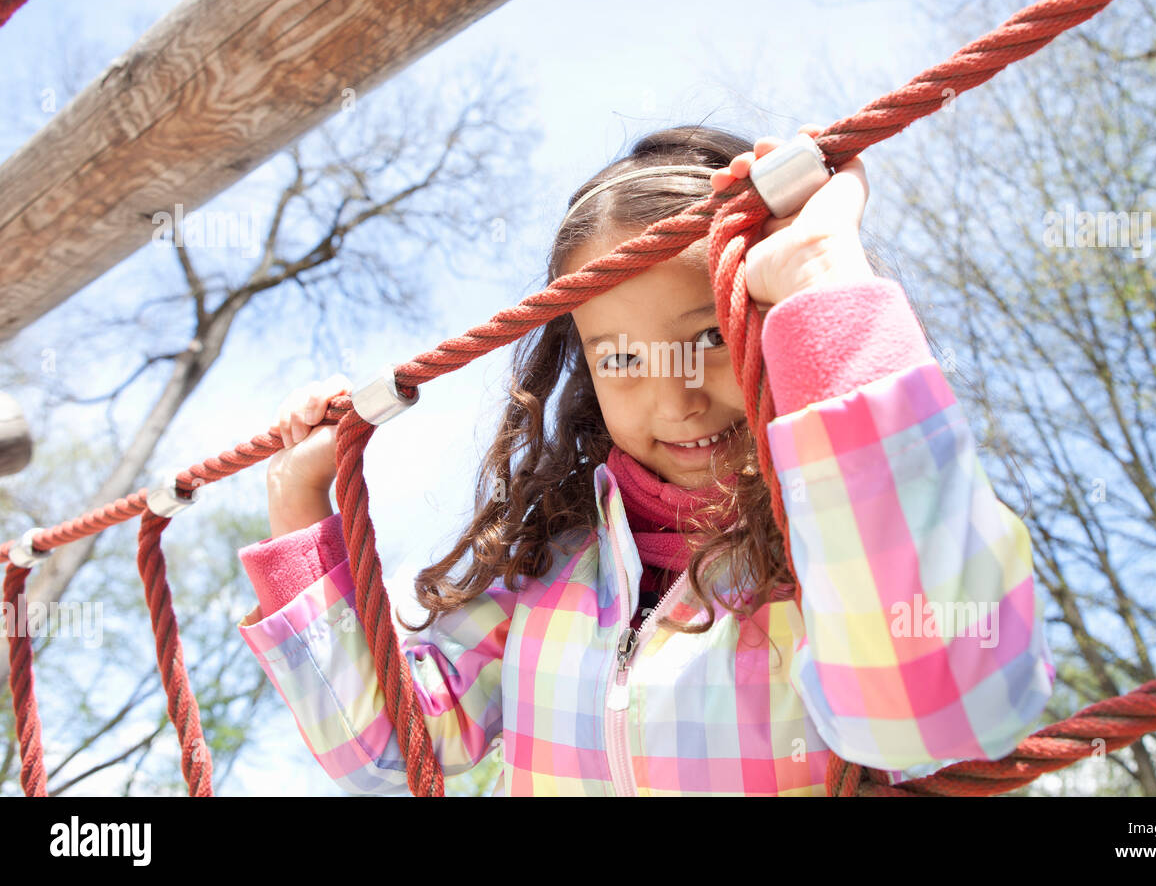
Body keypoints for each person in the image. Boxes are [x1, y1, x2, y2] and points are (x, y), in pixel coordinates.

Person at [234, 123, 1056, 796]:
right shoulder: (546, 567)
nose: (676, 400)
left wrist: (819, 279)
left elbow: (941, 710)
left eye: (708, 338)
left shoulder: (831, 553)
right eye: (622, 359)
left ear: (779, 320)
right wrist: (297, 502)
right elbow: (388, 751)